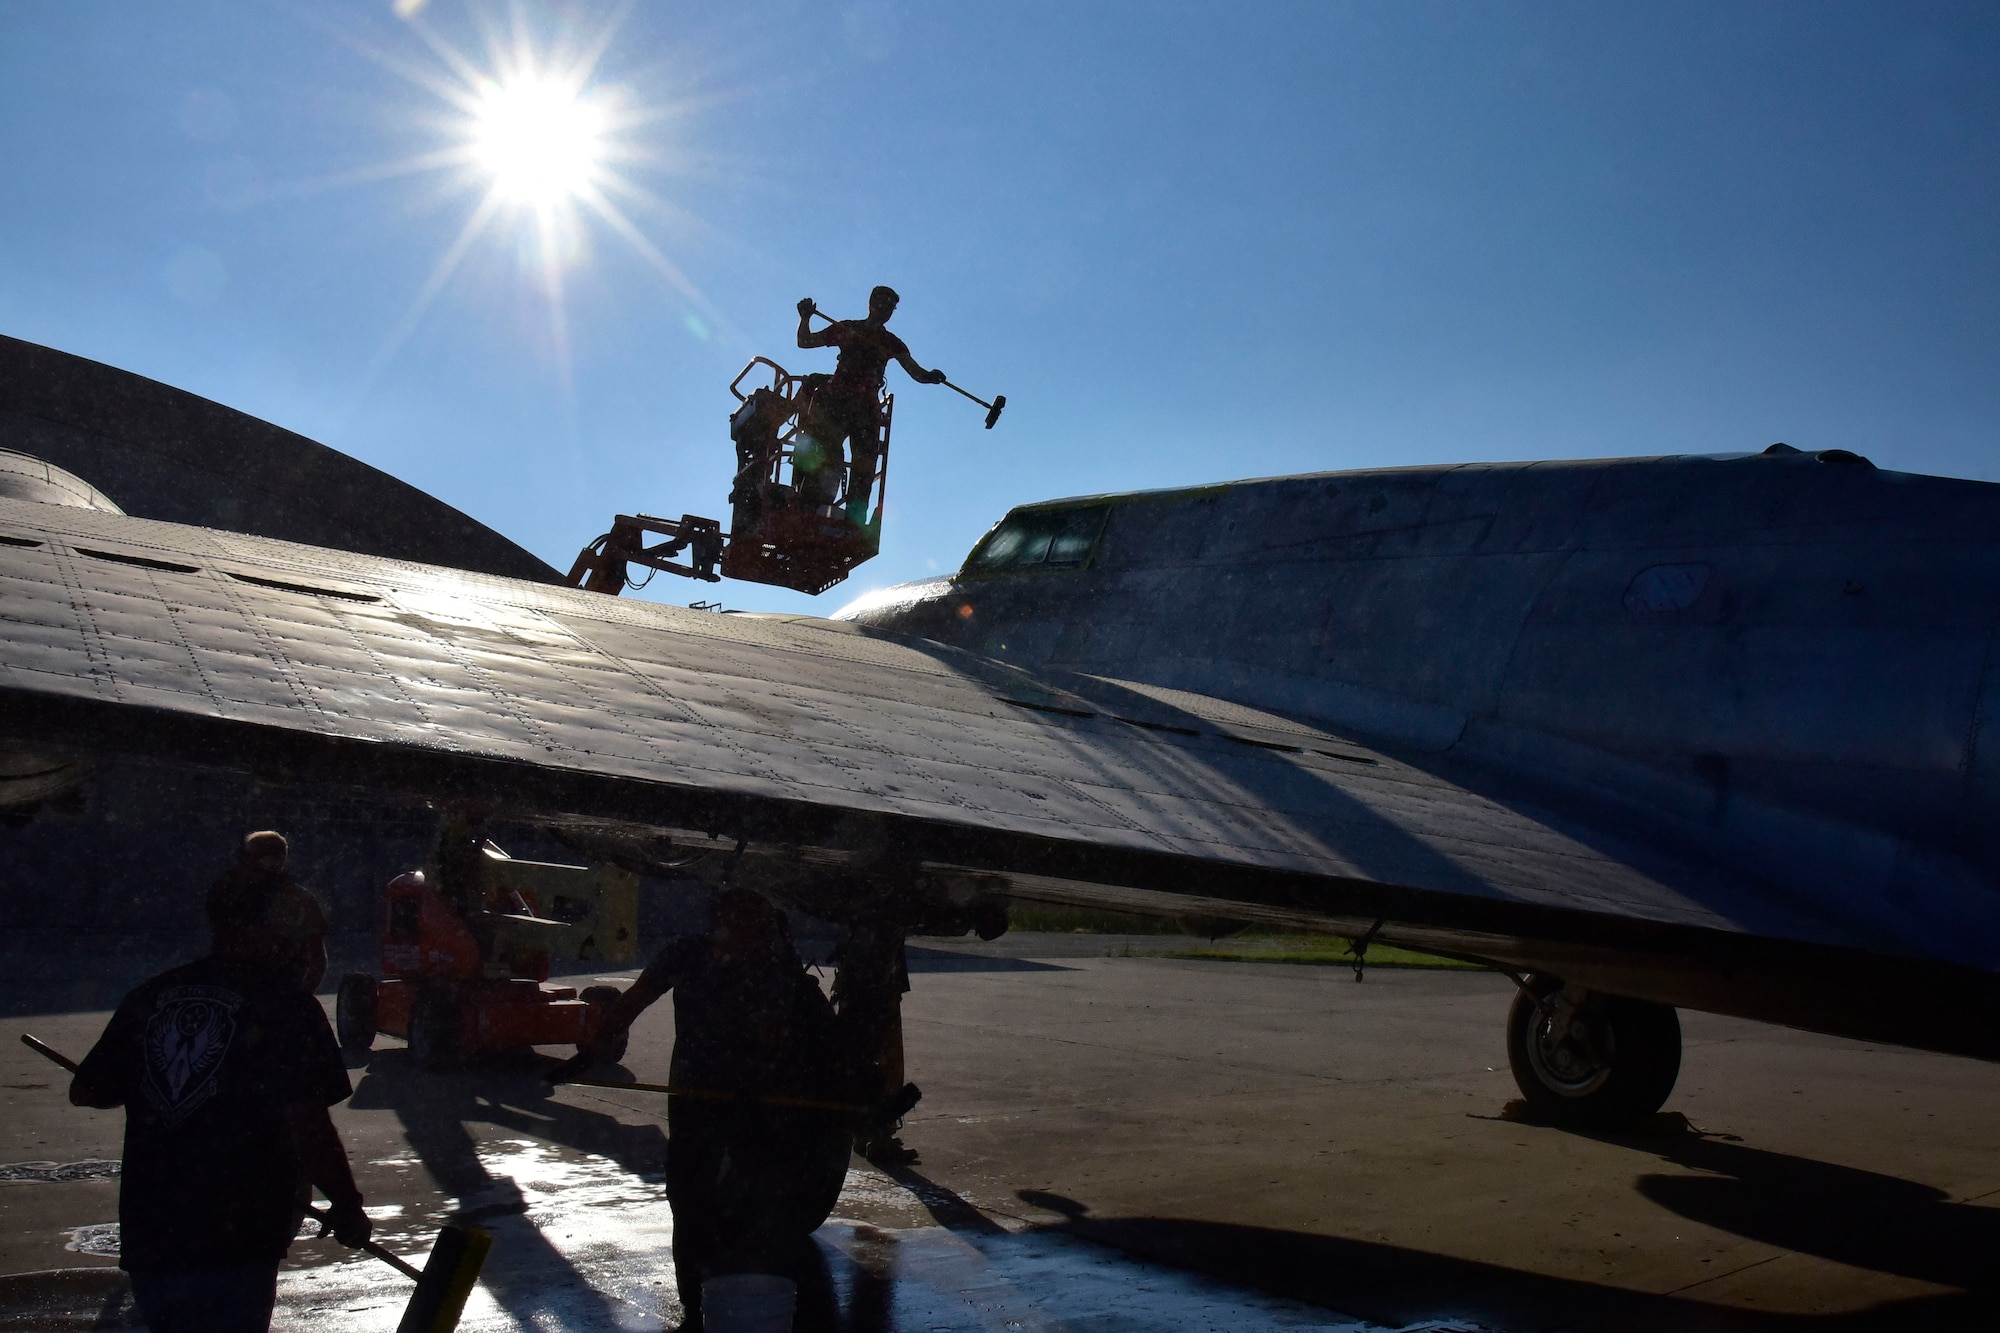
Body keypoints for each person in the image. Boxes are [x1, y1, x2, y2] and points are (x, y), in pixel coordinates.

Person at [69, 833, 371, 1333]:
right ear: (262, 928)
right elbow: (307, 1123)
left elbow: (90, 1090)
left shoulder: (151, 996)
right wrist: (346, 1204)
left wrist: (160, 1081)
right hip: (238, 1237)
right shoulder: (286, 1008)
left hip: (155, 1234)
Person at [564, 887, 860, 1331]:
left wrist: (772, 1082)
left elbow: (782, 1034)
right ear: (721, 925)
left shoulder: (772, 968)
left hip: (753, 1105)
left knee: (749, 1202)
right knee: (688, 1198)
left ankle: (741, 1290)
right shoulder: (690, 955)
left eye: (761, 929)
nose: (756, 938)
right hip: (698, 1099)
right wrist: (596, 1045)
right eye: (745, 927)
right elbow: (637, 998)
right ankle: (696, 1302)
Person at [796, 286, 946, 524]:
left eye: (890, 307)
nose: (885, 310)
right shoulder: (849, 328)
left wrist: (930, 376)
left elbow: (915, 372)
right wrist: (805, 319)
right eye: (882, 303)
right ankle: (809, 509)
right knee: (826, 455)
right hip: (838, 401)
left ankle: (854, 521)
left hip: (865, 409)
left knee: (864, 468)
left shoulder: (890, 342)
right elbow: (805, 341)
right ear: (871, 302)